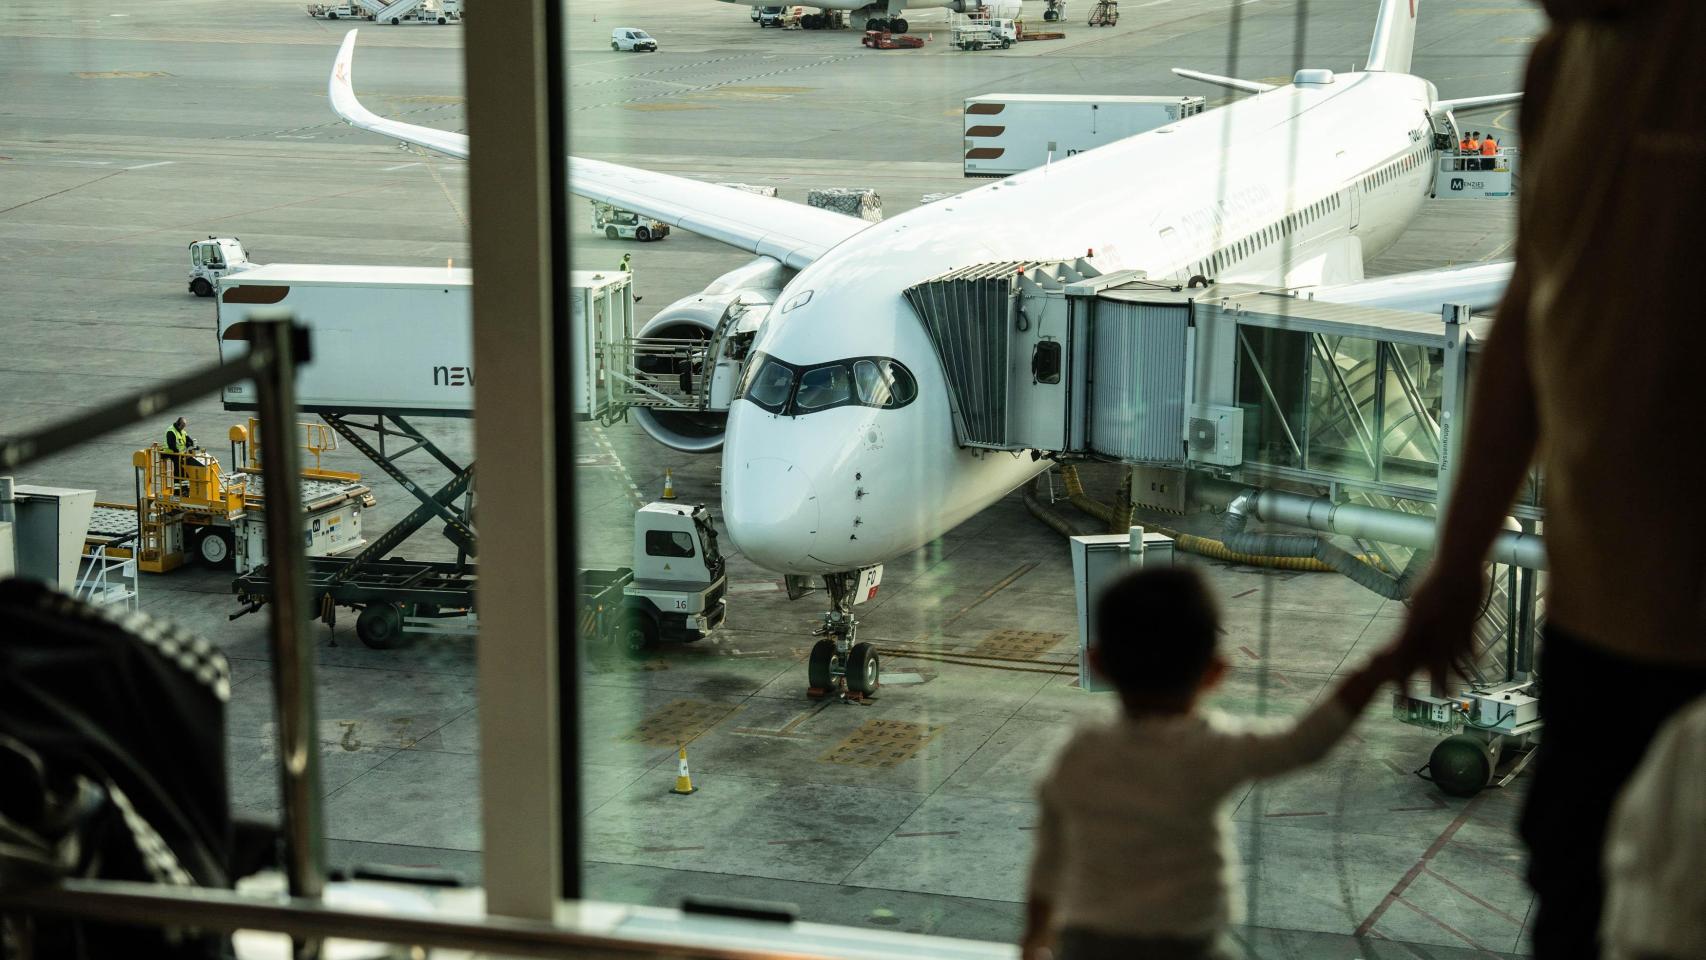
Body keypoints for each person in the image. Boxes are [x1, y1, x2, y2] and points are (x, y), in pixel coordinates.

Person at [1396, 3, 1706, 957]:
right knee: (1570, 893)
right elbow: (1529, 323)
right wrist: (1457, 562)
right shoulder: (1560, 67)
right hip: (1593, 634)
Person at [1022, 567, 1402, 960]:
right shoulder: (1210, 749)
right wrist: (1379, 669)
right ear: (1215, 673)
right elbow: (1304, 742)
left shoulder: (1079, 752)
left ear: (1097, 663)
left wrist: (1035, 936)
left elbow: (1049, 858)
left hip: (1089, 943)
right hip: (1186, 946)